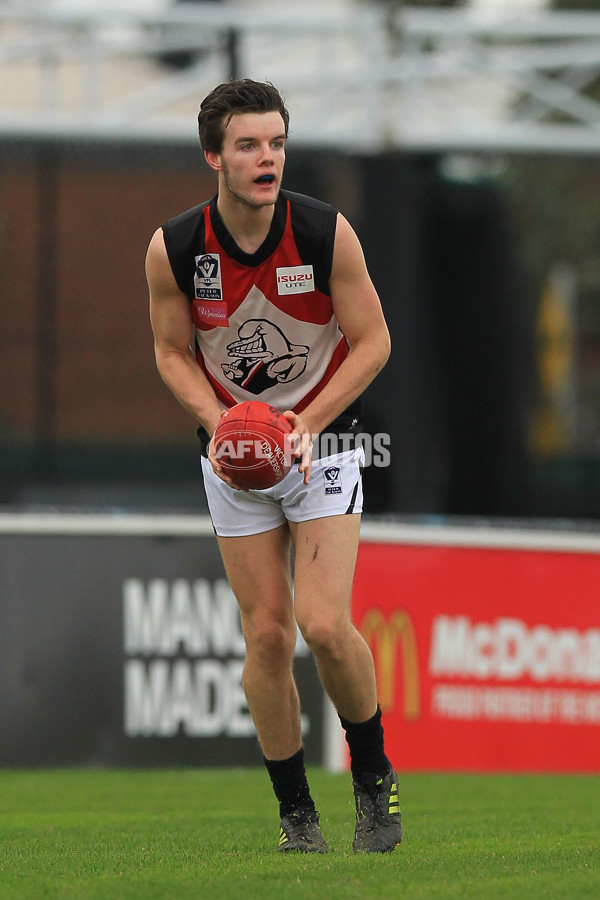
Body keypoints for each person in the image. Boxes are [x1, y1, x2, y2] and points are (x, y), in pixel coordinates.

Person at [146, 78, 401, 854]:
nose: (267, 158)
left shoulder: (324, 234)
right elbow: (169, 351)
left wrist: (307, 423)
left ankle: (375, 785)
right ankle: (297, 820)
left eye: (277, 143)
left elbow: (376, 342)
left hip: (321, 442)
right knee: (265, 637)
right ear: (213, 156)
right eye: (250, 145)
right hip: (234, 456)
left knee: (323, 625)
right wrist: (222, 424)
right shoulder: (177, 248)